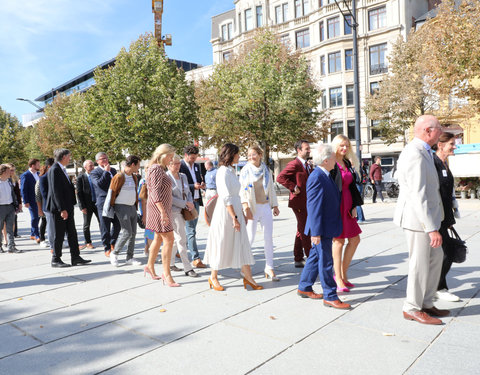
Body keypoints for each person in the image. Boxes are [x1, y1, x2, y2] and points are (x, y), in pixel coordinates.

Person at [394, 115, 447, 325]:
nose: (441, 131)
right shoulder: (414, 153)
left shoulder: (423, 150)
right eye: (439, 128)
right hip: (418, 221)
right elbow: (418, 194)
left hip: (427, 219)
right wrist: (431, 228)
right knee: (420, 264)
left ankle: (425, 302)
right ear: (428, 130)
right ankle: (412, 307)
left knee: (435, 259)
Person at [297, 144, 350, 309]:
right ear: (326, 160)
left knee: (314, 257)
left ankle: (305, 286)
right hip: (321, 228)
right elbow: (313, 207)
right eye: (333, 157)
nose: (336, 160)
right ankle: (330, 295)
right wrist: (317, 233)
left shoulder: (324, 174)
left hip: (324, 226)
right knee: (326, 261)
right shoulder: (317, 177)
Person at [203, 143, 262, 291]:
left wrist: (240, 213)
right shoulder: (222, 172)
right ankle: (213, 276)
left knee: (242, 242)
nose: (239, 156)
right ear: (231, 154)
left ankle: (248, 277)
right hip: (225, 213)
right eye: (237, 154)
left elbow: (235, 195)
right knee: (222, 242)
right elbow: (225, 197)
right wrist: (234, 217)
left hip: (234, 210)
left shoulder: (230, 170)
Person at [240, 145, 280, 281]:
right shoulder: (245, 170)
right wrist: (245, 207)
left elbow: (271, 189)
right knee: (249, 237)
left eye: (254, 154)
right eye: (249, 155)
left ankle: (269, 267)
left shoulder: (267, 170)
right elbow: (242, 191)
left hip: (265, 207)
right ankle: (244, 266)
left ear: (260, 155)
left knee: (268, 238)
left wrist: (275, 205)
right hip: (252, 207)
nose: (251, 157)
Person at [46, 149, 91, 268]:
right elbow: (55, 191)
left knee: (72, 233)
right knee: (59, 234)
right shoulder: (55, 169)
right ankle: (56, 259)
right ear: (64, 156)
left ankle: (75, 257)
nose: (70, 158)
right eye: (69, 156)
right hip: (60, 208)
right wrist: (62, 209)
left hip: (67, 206)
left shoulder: (61, 169)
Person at [330, 135, 363, 292]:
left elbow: (351, 186)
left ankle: (342, 274)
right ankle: (338, 278)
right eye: (342, 145)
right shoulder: (330, 162)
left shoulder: (347, 162)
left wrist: (354, 205)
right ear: (336, 146)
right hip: (337, 206)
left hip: (348, 205)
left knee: (355, 240)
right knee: (339, 242)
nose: (345, 148)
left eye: (347, 146)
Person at [145, 144, 179, 286]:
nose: (171, 160)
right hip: (159, 210)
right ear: (163, 155)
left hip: (158, 209)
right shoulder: (157, 169)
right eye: (170, 156)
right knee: (169, 239)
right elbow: (155, 193)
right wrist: (163, 212)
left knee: (158, 238)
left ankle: (150, 267)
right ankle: (167, 274)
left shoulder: (155, 168)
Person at [432, 132, 461, 302]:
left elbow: (447, 195)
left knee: (447, 252)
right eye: (452, 143)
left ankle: (438, 287)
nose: (454, 146)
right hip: (435, 217)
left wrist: (450, 219)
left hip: (445, 217)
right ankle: (438, 288)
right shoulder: (434, 164)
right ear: (440, 145)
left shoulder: (445, 164)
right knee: (445, 254)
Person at [276, 140, 312, 268]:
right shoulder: (294, 164)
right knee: (306, 230)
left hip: (305, 202)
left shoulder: (307, 164)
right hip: (299, 203)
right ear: (299, 150)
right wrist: (293, 187)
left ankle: (298, 257)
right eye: (306, 148)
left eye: (309, 148)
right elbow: (280, 177)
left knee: (301, 229)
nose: (309, 150)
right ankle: (311, 258)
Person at [166, 155, 198, 277]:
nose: (178, 166)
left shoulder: (183, 176)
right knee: (181, 239)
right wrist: (185, 203)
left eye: (179, 163)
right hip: (174, 211)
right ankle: (187, 267)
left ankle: (170, 262)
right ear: (168, 165)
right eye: (175, 163)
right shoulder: (166, 177)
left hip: (185, 210)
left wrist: (190, 203)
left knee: (176, 240)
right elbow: (169, 197)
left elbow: (188, 192)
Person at [108, 155, 142, 267]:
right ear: (133, 164)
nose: (138, 167)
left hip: (132, 207)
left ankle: (129, 257)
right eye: (138, 165)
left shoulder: (134, 177)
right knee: (127, 232)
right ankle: (114, 253)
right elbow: (112, 193)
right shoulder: (119, 176)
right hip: (121, 207)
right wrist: (113, 207)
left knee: (133, 233)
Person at [180, 145, 206, 268]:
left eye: (195, 158)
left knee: (191, 230)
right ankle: (195, 258)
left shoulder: (196, 166)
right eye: (191, 158)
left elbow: (198, 178)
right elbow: (180, 185)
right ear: (186, 155)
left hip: (196, 200)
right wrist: (192, 186)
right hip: (187, 202)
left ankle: (178, 251)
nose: (193, 160)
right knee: (191, 231)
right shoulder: (179, 165)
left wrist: (202, 184)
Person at [90, 152, 121, 257]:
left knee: (117, 224)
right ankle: (107, 247)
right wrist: (106, 172)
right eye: (102, 159)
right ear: (97, 161)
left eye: (106, 158)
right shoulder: (95, 172)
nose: (105, 160)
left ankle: (112, 242)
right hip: (103, 203)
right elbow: (99, 184)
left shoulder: (113, 170)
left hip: (115, 201)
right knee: (105, 226)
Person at [76, 160, 99, 250]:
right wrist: (82, 206)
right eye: (90, 165)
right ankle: (88, 242)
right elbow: (79, 193)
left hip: (97, 203)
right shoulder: (81, 177)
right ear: (85, 167)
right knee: (86, 224)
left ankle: (106, 241)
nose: (92, 167)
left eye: (93, 165)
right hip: (87, 204)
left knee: (102, 223)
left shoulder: (96, 175)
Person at [0, 164, 21, 253]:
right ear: (4, 172)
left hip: (10, 206)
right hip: (1, 207)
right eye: (9, 171)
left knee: (10, 228)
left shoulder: (9, 181)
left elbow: (14, 193)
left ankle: (11, 247)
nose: (11, 173)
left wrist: (16, 204)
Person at [35, 158, 54, 249]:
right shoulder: (40, 180)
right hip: (44, 205)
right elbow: (38, 197)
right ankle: (42, 239)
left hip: (52, 205)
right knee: (44, 221)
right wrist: (39, 209)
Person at [20, 158, 41, 243]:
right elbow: (23, 189)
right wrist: (25, 201)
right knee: (34, 217)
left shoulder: (39, 174)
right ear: (33, 165)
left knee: (38, 217)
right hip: (31, 200)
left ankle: (32, 234)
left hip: (39, 200)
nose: (39, 166)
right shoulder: (25, 175)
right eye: (38, 164)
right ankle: (36, 234)